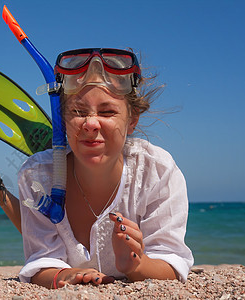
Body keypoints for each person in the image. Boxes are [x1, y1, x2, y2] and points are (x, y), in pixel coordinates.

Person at [13, 48, 194, 289]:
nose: (90, 124)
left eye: (107, 112)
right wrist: (63, 277)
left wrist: (137, 265)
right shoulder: (36, 176)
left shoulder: (157, 172)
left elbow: (172, 263)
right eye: (78, 112)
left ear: (132, 119)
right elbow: (41, 261)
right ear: (62, 118)